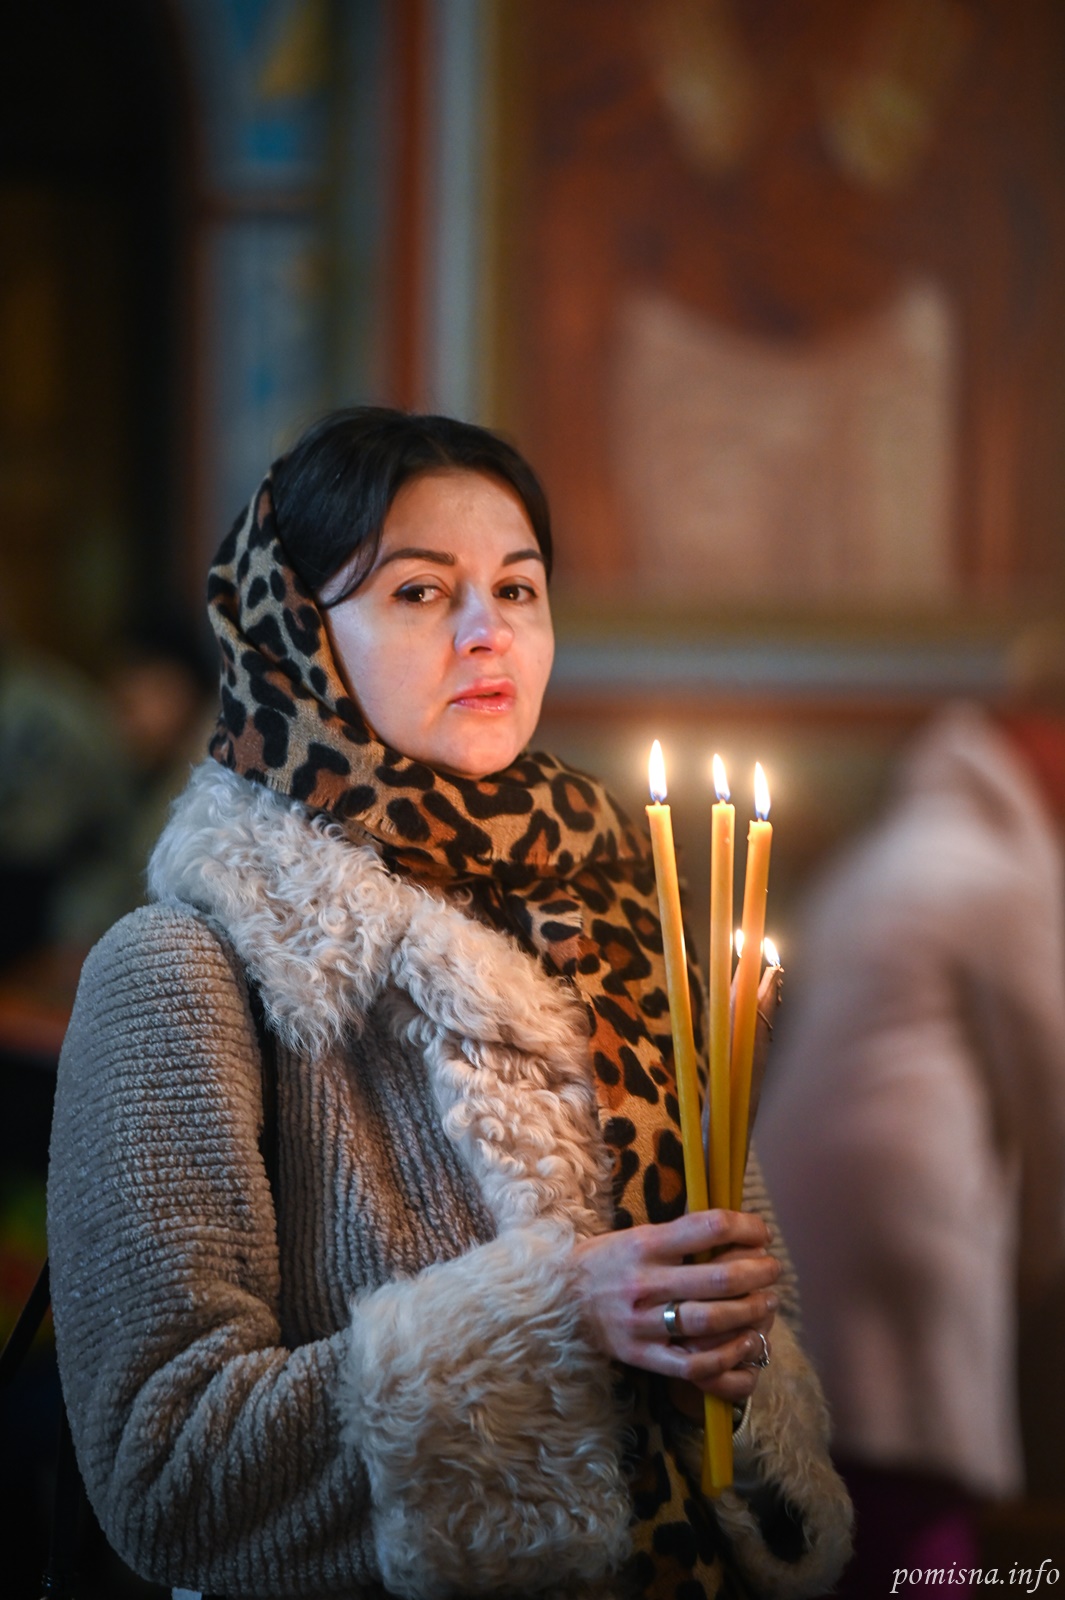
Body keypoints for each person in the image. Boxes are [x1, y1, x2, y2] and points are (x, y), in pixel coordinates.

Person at [47, 408, 852, 1599]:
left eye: (518, 589)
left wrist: (732, 1358)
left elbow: (748, 1352)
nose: (489, 632)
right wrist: (554, 1316)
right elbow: (166, 1475)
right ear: (299, 636)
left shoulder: (626, 921)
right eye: (421, 592)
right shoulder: (188, 969)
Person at [757, 698, 1065, 1593]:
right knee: (916, 1464)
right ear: (1024, 746)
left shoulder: (882, 856)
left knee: (829, 1457)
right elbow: (1049, 1082)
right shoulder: (994, 870)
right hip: (907, 1205)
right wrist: (1041, 1258)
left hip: (790, 1189)